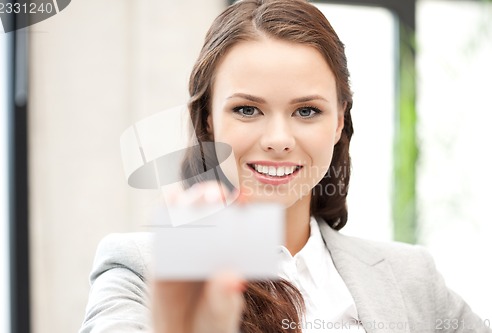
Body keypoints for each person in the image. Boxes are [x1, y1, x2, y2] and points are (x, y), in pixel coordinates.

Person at [79, 0, 491, 332]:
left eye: (307, 111)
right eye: (247, 109)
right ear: (208, 119)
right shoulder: (137, 269)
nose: (278, 139)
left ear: (339, 122)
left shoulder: (413, 278)